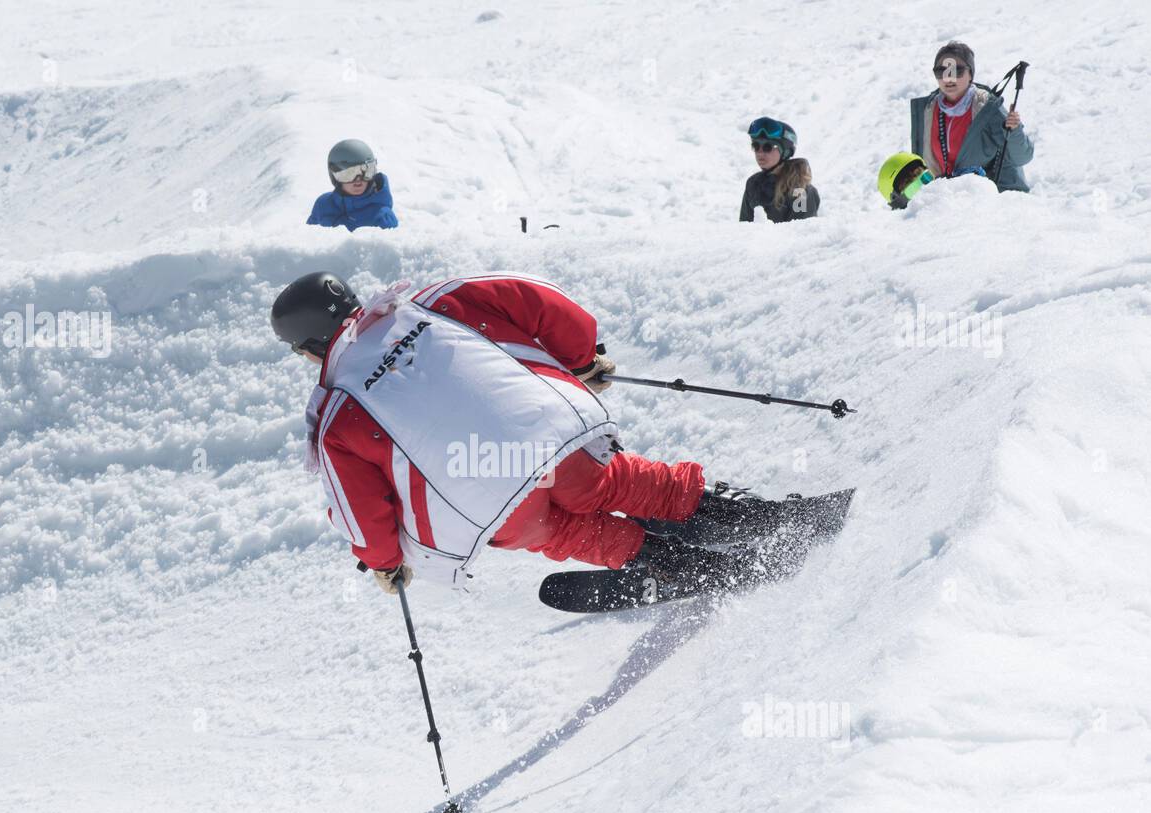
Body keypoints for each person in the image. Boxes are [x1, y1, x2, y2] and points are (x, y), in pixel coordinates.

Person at [270, 271, 785, 597]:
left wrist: (383, 563)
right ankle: (755, 518)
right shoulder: (432, 301)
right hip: (547, 439)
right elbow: (539, 302)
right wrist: (581, 358)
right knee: (616, 484)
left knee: (565, 530)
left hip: (488, 501)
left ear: (310, 346)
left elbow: (363, 508)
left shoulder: (337, 415)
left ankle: (689, 568)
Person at [909, 41, 1034, 192]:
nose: (949, 78)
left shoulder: (986, 108)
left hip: (994, 200)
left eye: (958, 71)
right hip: (948, 200)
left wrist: (1014, 130)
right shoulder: (928, 110)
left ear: (970, 75)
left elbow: (1022, 157)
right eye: (941, 71)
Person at [306, 139, 399, 231]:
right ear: (334, 176)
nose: (358, 180)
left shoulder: (383, 216)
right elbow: (307, 238)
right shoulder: (323, 205)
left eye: (365, 172)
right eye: (349, 174)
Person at [739, 118, 820, 222]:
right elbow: (743, 229)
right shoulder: (753, 184)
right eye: (756, 146)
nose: (760, 153)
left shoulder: (800, 190)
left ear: (785, 151)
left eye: (767, 147)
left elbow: (801, 234)